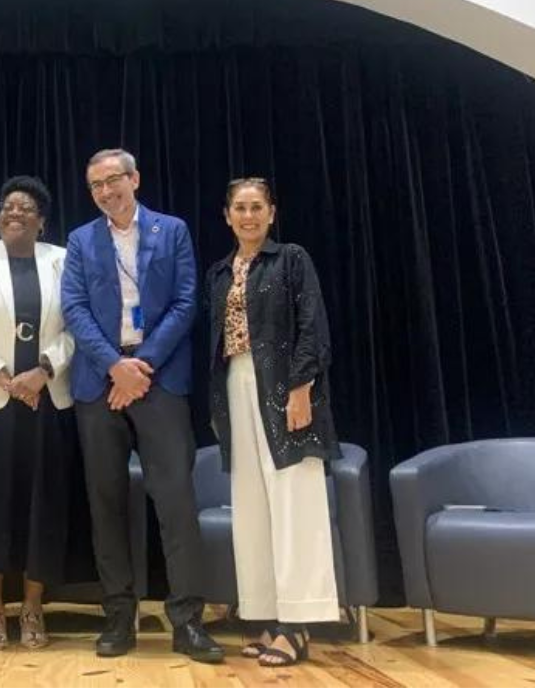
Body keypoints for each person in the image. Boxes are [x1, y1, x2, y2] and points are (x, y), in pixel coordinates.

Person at [61, 148, 223, 663]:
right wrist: (115, 366)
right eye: (95, 186)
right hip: (100, 381)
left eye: (113, 180)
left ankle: (188, 621)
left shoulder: (171, 230)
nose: (106, 192)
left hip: (158, 378)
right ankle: (117, 616)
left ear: (135, 178)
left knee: (175, 503)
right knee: (105, 502)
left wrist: (142, 366)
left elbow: (185, 300)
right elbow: (74, 308)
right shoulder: (81, 240)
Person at [205, 177, 340, 667]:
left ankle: (297, 624)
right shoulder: (219, 273)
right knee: (252, 508)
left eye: (256, 206)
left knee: (293, 504)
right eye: (239, 207)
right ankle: (266, 616)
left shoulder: (292, 260)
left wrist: (301, 389)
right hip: (237, 388)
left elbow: (313, 327)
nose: (248, 215)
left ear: (272, 212)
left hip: (285, 389)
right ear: (227, 215)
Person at [0, 176, 83, 650]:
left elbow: (78, 324)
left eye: (26, 207)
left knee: (41, 505)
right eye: (8, 206)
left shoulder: (62, 259)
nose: (16, 213)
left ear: (42, 220)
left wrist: (42, 371)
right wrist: (5, 377)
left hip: (46, 400)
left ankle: (32, 608)